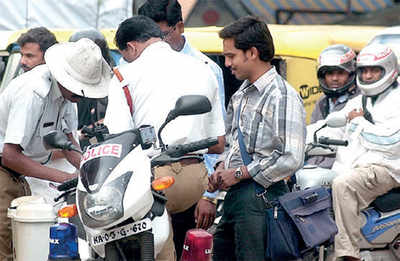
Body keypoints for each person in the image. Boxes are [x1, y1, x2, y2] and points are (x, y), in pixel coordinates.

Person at [104, 15, 225, 261]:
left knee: (154, 252)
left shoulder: (123, 76)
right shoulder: (203, 68)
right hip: (196, 180)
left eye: (123, 54)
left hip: (152, 181)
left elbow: (118, 140)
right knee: (189, 250)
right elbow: (218, 142)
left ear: (131, 47)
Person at [0, 38, 111, 261]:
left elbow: (69, 143)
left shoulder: (69, 97)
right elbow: (10, 156)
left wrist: (91, 171)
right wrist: (67, 177)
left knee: (33, 243)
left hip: (28, 172)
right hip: (5, 170)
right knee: (7, 242)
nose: (83, 94)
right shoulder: (33, 93)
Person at [208, 16, 306, 261]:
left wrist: (239, 173)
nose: (227, 63)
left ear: (252, 52)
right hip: (234, 198)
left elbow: (290, 158)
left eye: (231, 56)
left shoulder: (282, 95)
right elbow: (231, 144)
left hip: (263, 199)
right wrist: (221, 169)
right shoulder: (241, 95)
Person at [138, 0, 226, 255]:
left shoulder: (206, 69)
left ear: (180, 27)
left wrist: (206, 195)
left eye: (162, 35)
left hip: (188, 181)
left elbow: (214, 137)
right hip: (143, 183)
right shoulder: (134, 68)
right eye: (148, 37)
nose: (155, 45)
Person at [328, 44, 400, 261]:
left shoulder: (397, 100)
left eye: (374, 70)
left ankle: (348, 253)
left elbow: (391, 141)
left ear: (388, 70)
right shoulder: (361, 100)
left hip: (388, 168)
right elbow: (333, 124)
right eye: (364, 70)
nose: (368, 76)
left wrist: (359, 122)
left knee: (344, 185)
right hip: (362, 166)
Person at [308, 44, 359, 169]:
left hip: (344, 166)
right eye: (330, 73)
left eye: (340, 73)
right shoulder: (322, 102)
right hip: (315, 166)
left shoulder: (359, 101)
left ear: (351, 74)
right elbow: (312, 136)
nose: (335, 78)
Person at [68, 29, 114, 148]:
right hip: (73, 148)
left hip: (105, 146)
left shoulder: (113, 83)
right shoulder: (66, 85)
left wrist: (103, 123)